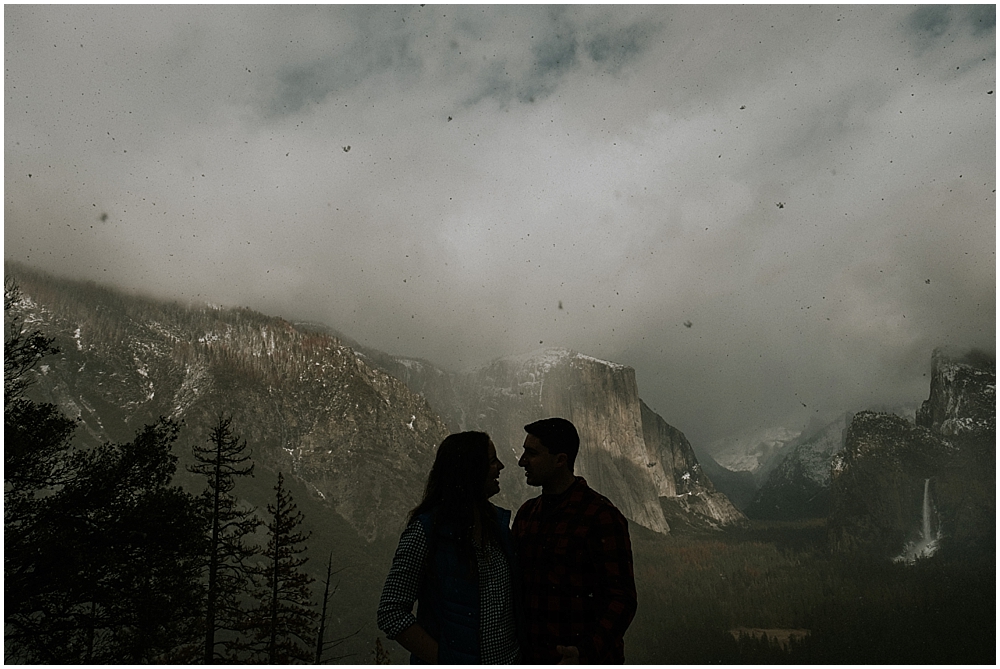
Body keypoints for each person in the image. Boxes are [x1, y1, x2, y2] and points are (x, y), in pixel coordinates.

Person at [377, 431, 521, 664]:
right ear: (471, 470)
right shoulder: (426, 532)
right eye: (492, 461)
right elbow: (391, 611)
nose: (501, 466)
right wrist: (447, 660)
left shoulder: (499, 527)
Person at [513, 417, 637, 664]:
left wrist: (584, 653)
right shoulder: (526, 514)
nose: (521, 461)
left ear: (560, 460)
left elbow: (622, 599)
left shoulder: (601, 517)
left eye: (532, 453)